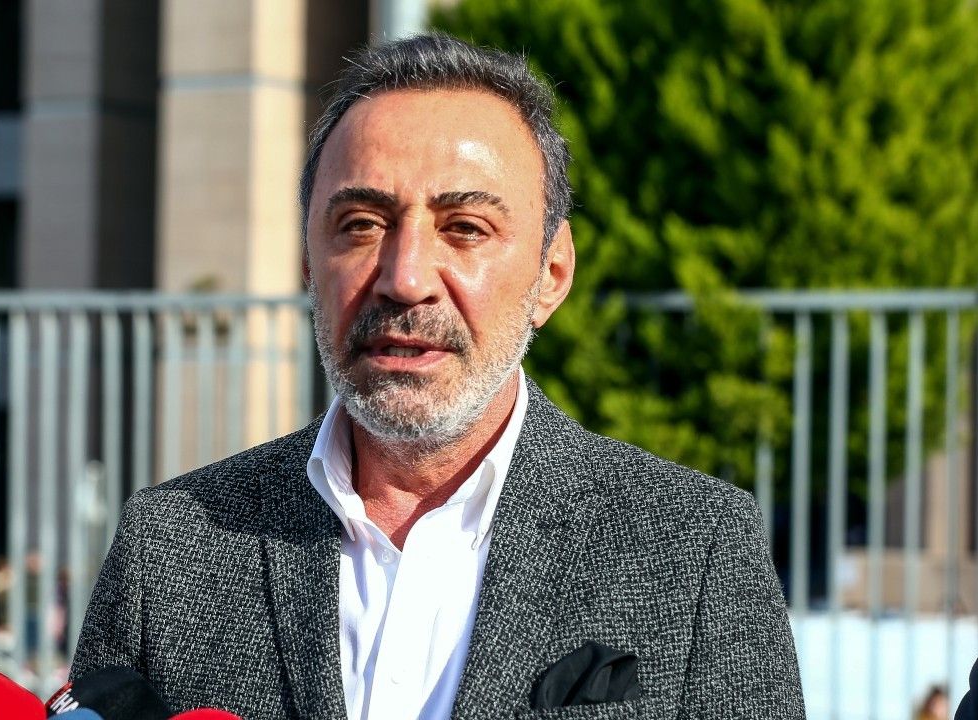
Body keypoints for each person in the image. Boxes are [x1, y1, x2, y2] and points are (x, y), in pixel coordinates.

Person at [72, 34, 803, 719]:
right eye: (361, 224)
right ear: (307, 265)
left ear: (552, 274)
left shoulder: (693, 548)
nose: (406, 277)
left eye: (465, 228)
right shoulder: (170, 548)